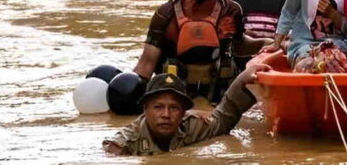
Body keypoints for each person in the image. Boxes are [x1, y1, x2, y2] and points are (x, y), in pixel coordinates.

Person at [132, 0, 266, 103]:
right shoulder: (166, 14)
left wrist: (267, 43)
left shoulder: (230, 11)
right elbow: (146, 64)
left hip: (218, 100)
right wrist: (133, 94)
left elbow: (238, 45)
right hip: (175, 102)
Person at [103, 63, 270, 155]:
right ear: (145, 110)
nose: (166, 115)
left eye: (174, 108)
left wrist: (241, 81)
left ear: (183, 112)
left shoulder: (191, 126)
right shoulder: (124, 144)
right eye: (158, 107)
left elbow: (223, 119)